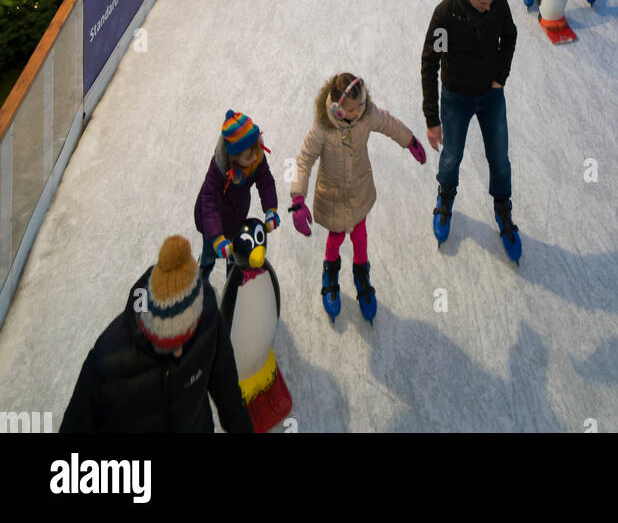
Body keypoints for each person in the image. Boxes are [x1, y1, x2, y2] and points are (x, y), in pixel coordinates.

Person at [59, 234, 253, 433]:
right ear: (146, 328)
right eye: (165, 345)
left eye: (184, 339)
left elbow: (227, 392)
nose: (178, 353)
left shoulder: (207, 315)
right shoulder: (107, 359)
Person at [289, 73, 424, 321]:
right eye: (353, 109)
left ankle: (362, 273)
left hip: (359, 189)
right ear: (337, 110)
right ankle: (330, 271)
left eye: (361, 104)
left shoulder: (367, 114)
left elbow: (389, 124)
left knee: (360, 235)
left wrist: (410, 141)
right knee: (336, 237)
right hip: (333, 196)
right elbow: (304, 159)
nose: (359, 111)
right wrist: (298, 197)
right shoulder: (323, 128)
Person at [421, 0, 520, 254]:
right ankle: (445, 196)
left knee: (499, 158)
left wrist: (500, 77)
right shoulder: (445, 15)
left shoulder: (498, 2)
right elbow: (430, 63)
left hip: (491, 96)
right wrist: (432, 117)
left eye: (491, 2)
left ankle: (503, 207)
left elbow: (510, 36)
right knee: (451, 156)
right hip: (456, 98)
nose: (489, 9)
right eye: (483, 3)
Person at [194, 110, 279, 280]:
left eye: (256, 150)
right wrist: (217, 237)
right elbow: (209, 203)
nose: (255, 157)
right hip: (212, 220)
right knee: (210, 252)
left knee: (234, 253)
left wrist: (271, 209)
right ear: (233, 157)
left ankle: (232, 277)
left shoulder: (256, 159)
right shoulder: (218, 170)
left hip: (237, 215)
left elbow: (266, 181)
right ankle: (203, 272)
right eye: (249, 156)